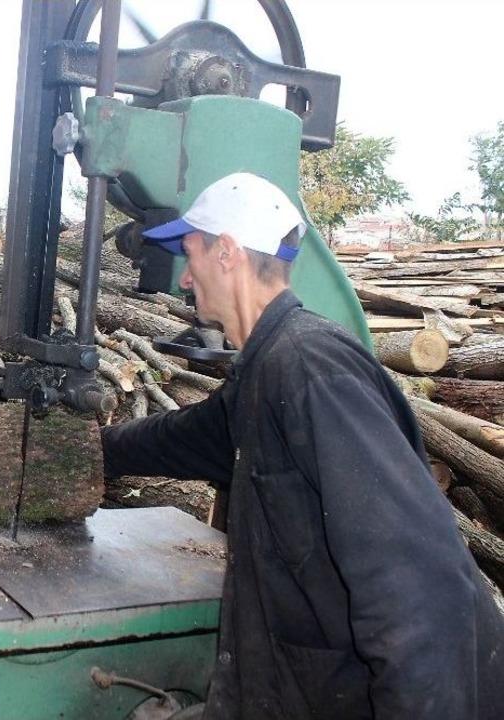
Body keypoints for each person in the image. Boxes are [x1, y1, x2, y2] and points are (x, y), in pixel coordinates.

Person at [101, 172, 504, 719]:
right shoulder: (265, 371)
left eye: (190, 254)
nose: (187, 278)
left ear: (227, 252)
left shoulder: (311, 369)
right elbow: (184, 439)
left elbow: (417, 587)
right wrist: (93, 448)